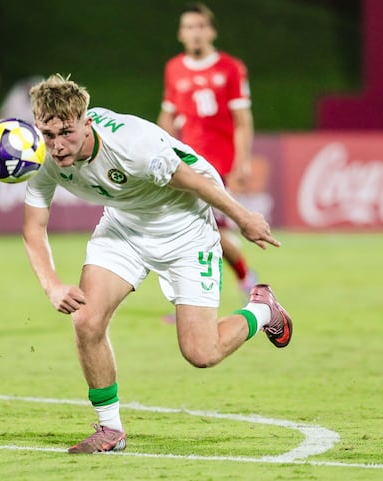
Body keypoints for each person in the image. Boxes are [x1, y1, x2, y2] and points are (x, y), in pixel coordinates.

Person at [22, 74, 292, 454]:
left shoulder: (132, 145)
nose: (57, 145)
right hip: (124, 227)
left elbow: (195, 180)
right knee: (86, 320)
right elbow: (33, 227)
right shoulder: (42, 158)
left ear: (86, 122)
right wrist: (52, 285)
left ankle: (262, 309)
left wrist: (244, 218)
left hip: (185, 227)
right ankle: (110, 430)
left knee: (201, 353)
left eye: (66, 132)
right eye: (48, 135)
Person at [158, 2, 257, 301]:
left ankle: (245, 280)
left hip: (218, 166)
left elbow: (242, 119)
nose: (195, 33)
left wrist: (242, 162)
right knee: (188, 231)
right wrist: (159, 150)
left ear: (212, 31)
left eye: (201, 26)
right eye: (189, 27)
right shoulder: (174, 68)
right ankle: (194, 299)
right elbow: (168, 115)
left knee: (212, 233)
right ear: (180, 34)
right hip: (186, 163)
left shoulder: (230, 68)